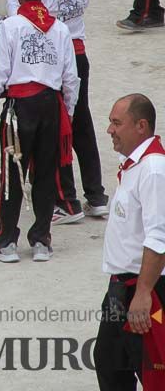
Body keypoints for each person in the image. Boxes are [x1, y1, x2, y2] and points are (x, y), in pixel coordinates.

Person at [0, 0, 79, 263]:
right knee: (46, 174)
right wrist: (69, 110)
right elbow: (71, 77)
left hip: (19, 108)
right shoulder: (61, 29)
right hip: (51, 106)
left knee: (13, 175)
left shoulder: (11, 26)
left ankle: (6, 242)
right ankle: (41, 241)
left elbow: (0, 71)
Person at [94, 94, 165, 390]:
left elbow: (159, 236)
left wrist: (144, 294)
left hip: (145, 291)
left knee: (152, 370)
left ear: (141, 126)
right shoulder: (134, 166)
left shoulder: (154, 170)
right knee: (109, 361)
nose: (110, 130)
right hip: (120, 288)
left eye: (116, 123)